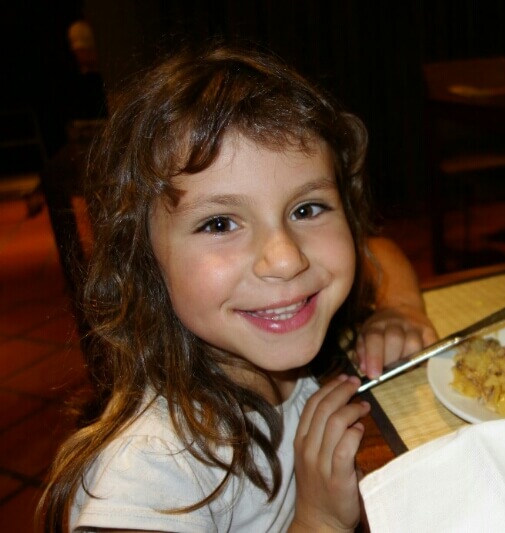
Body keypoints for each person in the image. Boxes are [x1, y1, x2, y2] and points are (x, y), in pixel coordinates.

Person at [38, 42, 436, 532]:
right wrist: (319, 521)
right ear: (144, 261)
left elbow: (379, 252)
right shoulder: (149, 472)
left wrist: (400, 309)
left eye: (306, 209)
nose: (287, 259)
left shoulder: (286, 321)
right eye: (220, 223)